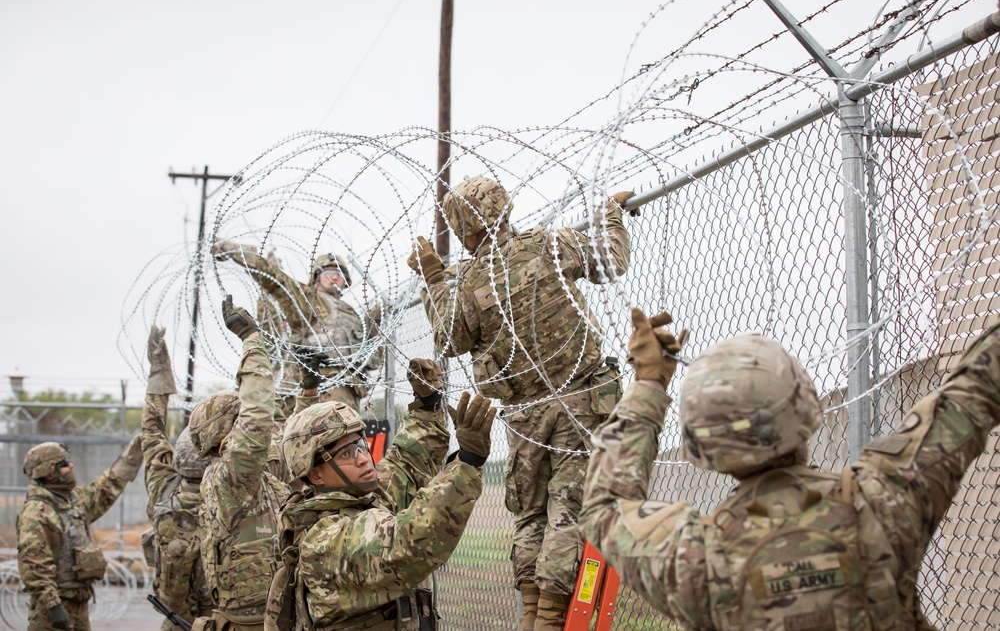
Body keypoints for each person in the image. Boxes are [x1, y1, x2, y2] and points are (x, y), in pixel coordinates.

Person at [580, 308, 1000, 630]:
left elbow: (605, 504)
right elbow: (971, 393)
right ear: (806, 405)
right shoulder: (885, 501)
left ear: (699, 445)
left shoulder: (696, 559)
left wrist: (650, 384)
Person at [408, 175, 635, 630]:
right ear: (504, 208)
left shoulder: (467, 280)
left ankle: (531, 614)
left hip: (524, 415)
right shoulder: (547, 244)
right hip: (580, 400)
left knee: (531, 514)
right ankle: (549, 618)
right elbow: (611, 261)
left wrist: (435, 278)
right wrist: (610, 213)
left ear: (462, 231)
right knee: (568, 510)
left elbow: (450, 337)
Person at [264, 357, 494, 631]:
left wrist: (427, 403)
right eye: (346, 454)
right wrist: (468, 461)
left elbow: (406, 463)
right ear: (315, 475)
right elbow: (409, 543)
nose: (363, 459)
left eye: (361, 445)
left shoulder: (360, 500)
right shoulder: (324, 540)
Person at [188, 297, 291, 631]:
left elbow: (288, 447)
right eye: (239, 418)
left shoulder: (249, 479)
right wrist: (251, 339)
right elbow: (259, 415)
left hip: (270, 613)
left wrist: (307, 391)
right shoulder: (232, 477)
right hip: (255, 622)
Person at [211, 243, 382, 410]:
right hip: (319, 387)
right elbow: (275, 280)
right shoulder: (311, 302)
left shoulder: (352, 314)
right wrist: (233, 250)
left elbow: (369, 355)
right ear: (316, 277)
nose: (335, 276)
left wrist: (380, 312)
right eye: (328, 272)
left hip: (348, 388)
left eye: (340, 272)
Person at [17, 434, 143, 630]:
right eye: (64, 463)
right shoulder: (38, 513)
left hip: (78, 604)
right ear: (50, 473)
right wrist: (53, 606)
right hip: (52, 611)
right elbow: (34, 566)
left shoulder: (72, 501)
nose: (71, 466)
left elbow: (105, 488)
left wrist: (131, 456)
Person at [141, 326, 213, 629]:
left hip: (175, 619)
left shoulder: (163, 489)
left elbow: (152, 428)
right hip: (217, 620)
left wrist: (158, 371)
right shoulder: (231, 490)